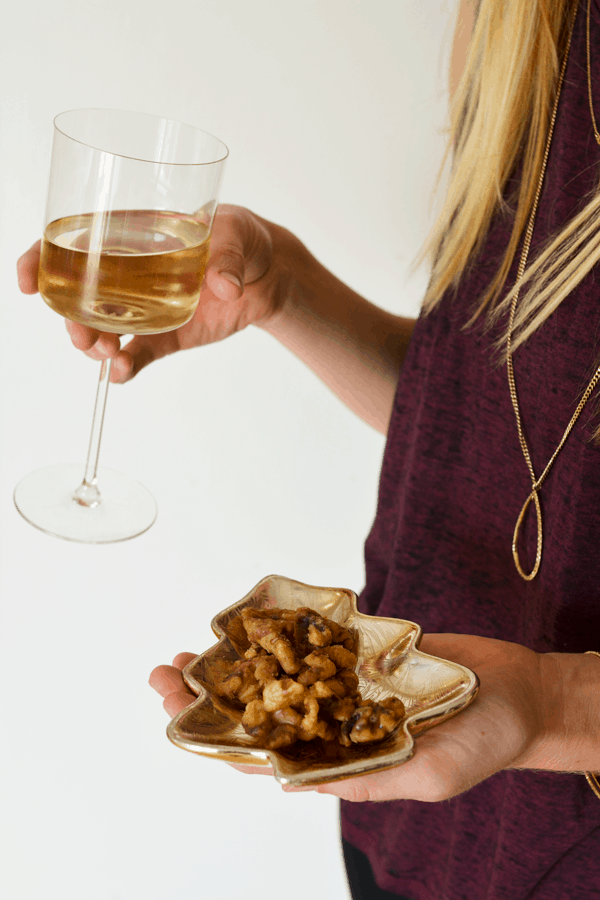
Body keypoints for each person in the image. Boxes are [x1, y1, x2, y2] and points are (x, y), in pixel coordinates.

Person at [17, 0, 600, 897]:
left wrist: (555, 707)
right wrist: (284, 291)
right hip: (412, 811)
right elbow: (477, 421)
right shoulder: (523, 22)